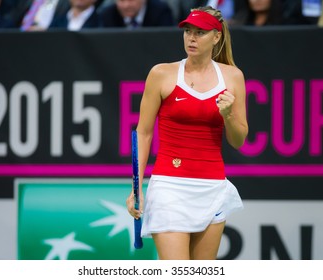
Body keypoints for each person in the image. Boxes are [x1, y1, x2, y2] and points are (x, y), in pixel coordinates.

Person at [126, 5, 248, 260]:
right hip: (169, 187)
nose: (191, 38)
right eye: (188, 31)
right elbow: (144, 132)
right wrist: (136, 187)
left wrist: (228, 115)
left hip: (213, 187)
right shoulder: (161, 74)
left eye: (200, 32)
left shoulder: (233, 77)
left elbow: (238, 140)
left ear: (216, 37)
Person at [100, 0, 174, 28]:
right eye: (122, 0)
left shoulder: (161, 11)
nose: (126, 5)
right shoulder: (107, 14)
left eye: (131, 0)